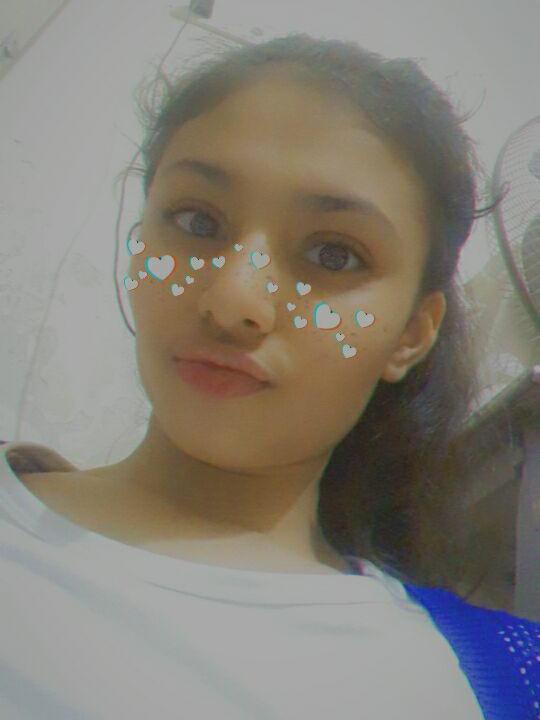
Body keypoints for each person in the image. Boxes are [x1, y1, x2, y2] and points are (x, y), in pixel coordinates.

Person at [1, 34, 538, 720]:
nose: (233, 301)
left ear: (411, 332)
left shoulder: (501, 682)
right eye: (196, 221)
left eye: (334, 255)